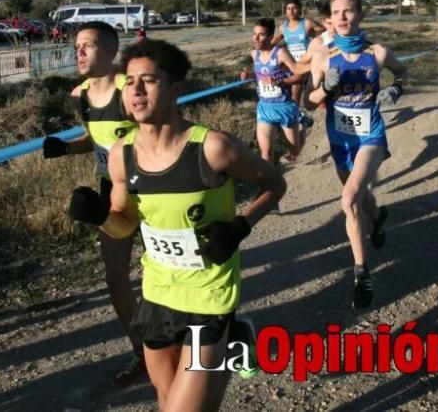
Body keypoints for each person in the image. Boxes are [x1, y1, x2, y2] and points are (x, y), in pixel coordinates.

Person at [79, 39, 285, 411]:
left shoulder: (213, 148)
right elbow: (125, 225)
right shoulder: (121, 155)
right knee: (165, 398)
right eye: (130, 81)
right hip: (157, 294)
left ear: (176, 88)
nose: (136, 89)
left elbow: (275, 184)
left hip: (208, 295)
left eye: (150, 80)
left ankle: (228, 334)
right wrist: (100, 217)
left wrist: (241, 226)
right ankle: (236, 339)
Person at [41, 21, 147, 387]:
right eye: (77, 46)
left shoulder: (130, 89)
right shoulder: (78, 95)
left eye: (88, 45)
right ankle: (142, 353)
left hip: (149, 188)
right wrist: (67, 148)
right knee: (115, 276)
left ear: (111, 51)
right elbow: (93, 138)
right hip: (109, 190)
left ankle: (185, 343)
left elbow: (158, 132)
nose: (79, 52)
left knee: (164, 271)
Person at [305, 0, 408, 309]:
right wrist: (326, 88)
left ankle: (361, 274)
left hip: (370, 137)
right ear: (331, 19)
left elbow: (402, 72)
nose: (343, 17)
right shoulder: (323, 55)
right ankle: (377, 219)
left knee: (349, 200)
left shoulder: (377, 53)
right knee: (361, 198)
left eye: (348, 11)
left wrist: (395, 88)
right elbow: (310, 98)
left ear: (360, 15)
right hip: (340, 140)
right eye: (336, 12)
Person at [239, 18, 307, 166]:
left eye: (261, 35)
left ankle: (304, 125)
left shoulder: (281, 53)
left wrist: (282, 82)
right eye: (254, 34)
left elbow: (299, 75)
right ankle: (268, 183)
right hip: (265, 108)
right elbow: (261, 75)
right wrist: (249, 75)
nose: (256, 38)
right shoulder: (254, 54)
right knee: (266, 152)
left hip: (285, 107)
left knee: (295, 151)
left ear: (270, 37)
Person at [272, 0, 323, 126]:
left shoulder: (307, 24)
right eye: (288, 8)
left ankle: (297, 115)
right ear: (285, 11)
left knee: (298, 85)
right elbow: (273, 42)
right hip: (292, 64)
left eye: (294, 8)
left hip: (307, 63)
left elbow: (326, 32)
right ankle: (296, 115)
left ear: (299, 9)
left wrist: (317, 42)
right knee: (294, 88)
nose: (291, 11)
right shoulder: (283, 28)